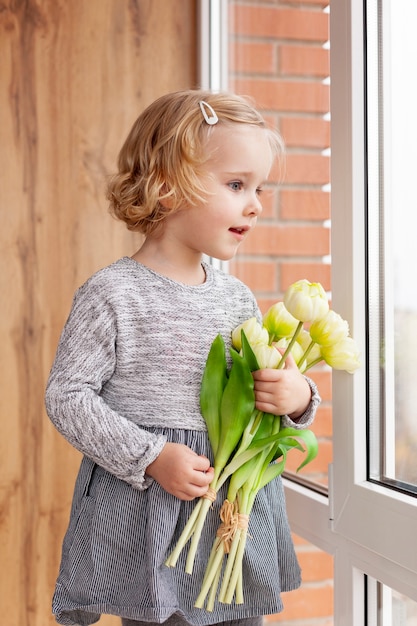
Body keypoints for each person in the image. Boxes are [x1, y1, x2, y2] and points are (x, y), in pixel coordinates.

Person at [45, 89, 321, 626]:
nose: (257, 203)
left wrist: (296, 396)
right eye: (237, 185)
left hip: (231, 510)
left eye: (260, 188)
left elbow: (255, 393)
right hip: (154, 507)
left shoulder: (236, 297)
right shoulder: (113, 294)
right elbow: (68, 395)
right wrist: (150, 456)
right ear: (167, 187)